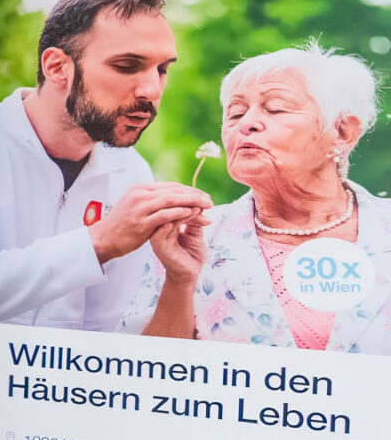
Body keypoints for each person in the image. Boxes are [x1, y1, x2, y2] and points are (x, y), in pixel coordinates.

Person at [0, 0, 207, 328]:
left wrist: (180, 279)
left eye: (162, 70)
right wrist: (99, 241)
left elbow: (107, 329)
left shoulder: (131, 172)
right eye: (127, 65)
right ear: (57, 67)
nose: (152, 90)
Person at [133, 45, 389, 351]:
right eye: (236, 113)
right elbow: (146, 375)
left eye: (276, 108)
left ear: (343, 131)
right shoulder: (190, 237)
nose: (246, 123)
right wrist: (179, 280)